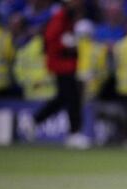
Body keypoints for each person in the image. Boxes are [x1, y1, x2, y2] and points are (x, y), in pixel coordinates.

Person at [24, 0, 90, 149]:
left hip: (66, 64)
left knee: (63, 98)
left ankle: (34, 121)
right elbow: (50, 38)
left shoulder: (66, 18)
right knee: (72, 99)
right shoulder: (60, 18)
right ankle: (74, 134)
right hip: (61, 65)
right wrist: (65, 43)